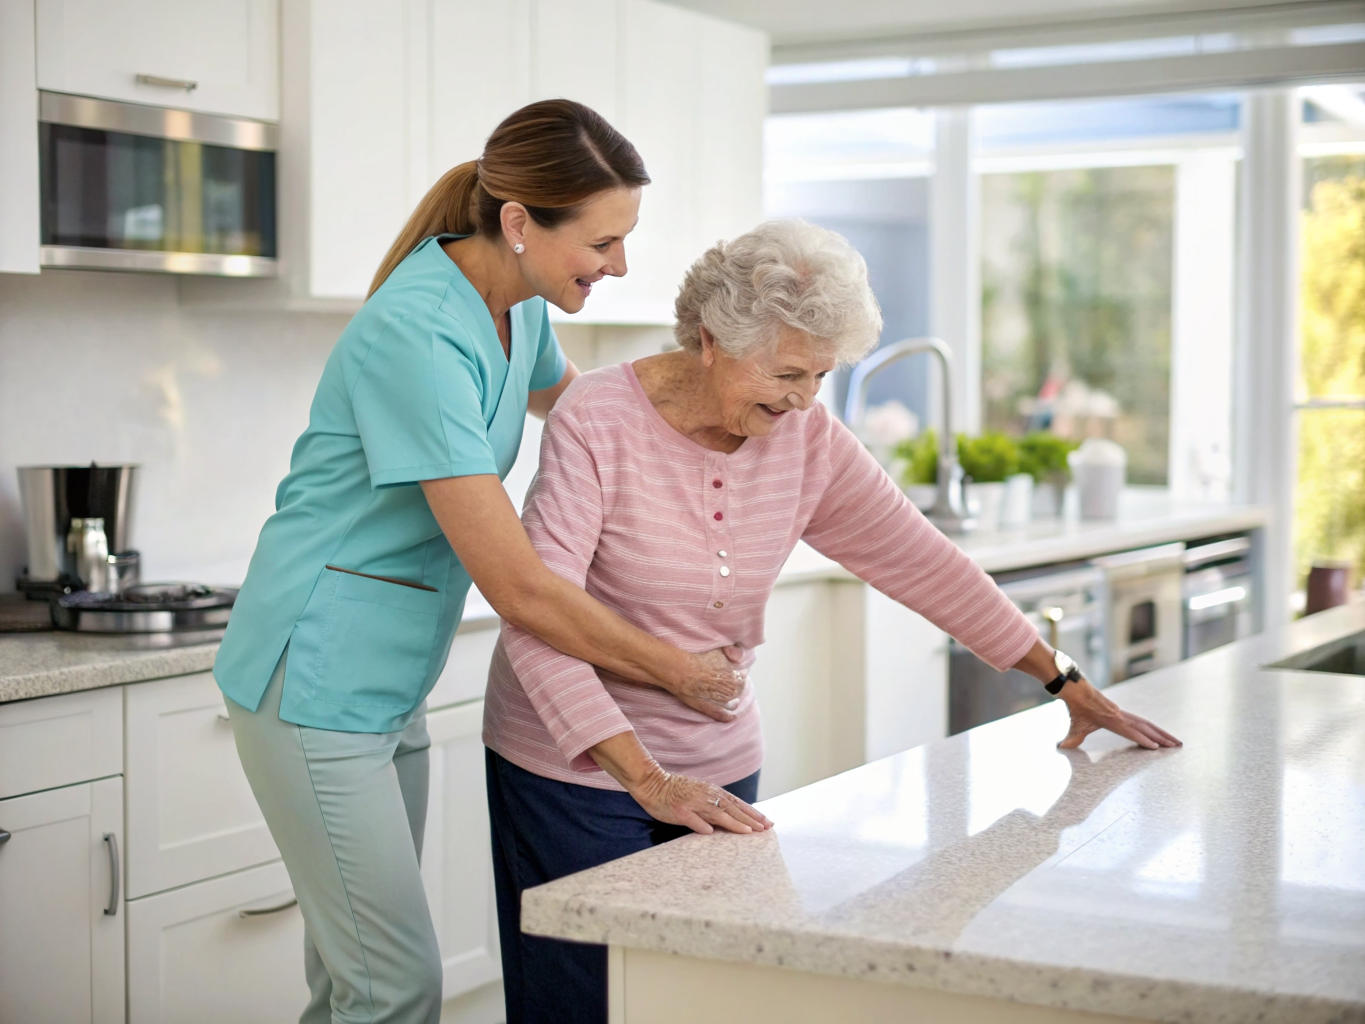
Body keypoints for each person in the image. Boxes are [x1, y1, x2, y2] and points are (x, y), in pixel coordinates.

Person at [482, 219, 1182, 1024]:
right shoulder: (596, 418)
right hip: (572, 774)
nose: (803, 398)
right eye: (786, 372)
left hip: (714, 762)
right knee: (580, 1001)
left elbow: (924, 562)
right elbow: (535, 613)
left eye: (819, 374)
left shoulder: (803, 435)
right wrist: (646, 779)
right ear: (709, 339)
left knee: (715, 1000)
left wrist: (1061, 679)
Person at [214, 100, 750, 1024]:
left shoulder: (517, 311)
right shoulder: (419, 332)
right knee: (394, 989)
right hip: (313, 678)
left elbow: (602, 432)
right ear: (517, 224)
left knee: (350, 985)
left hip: (389, 678)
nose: (618, 265)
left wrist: (730, 416)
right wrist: (674, 670)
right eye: (602, 241)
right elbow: (517, 585)